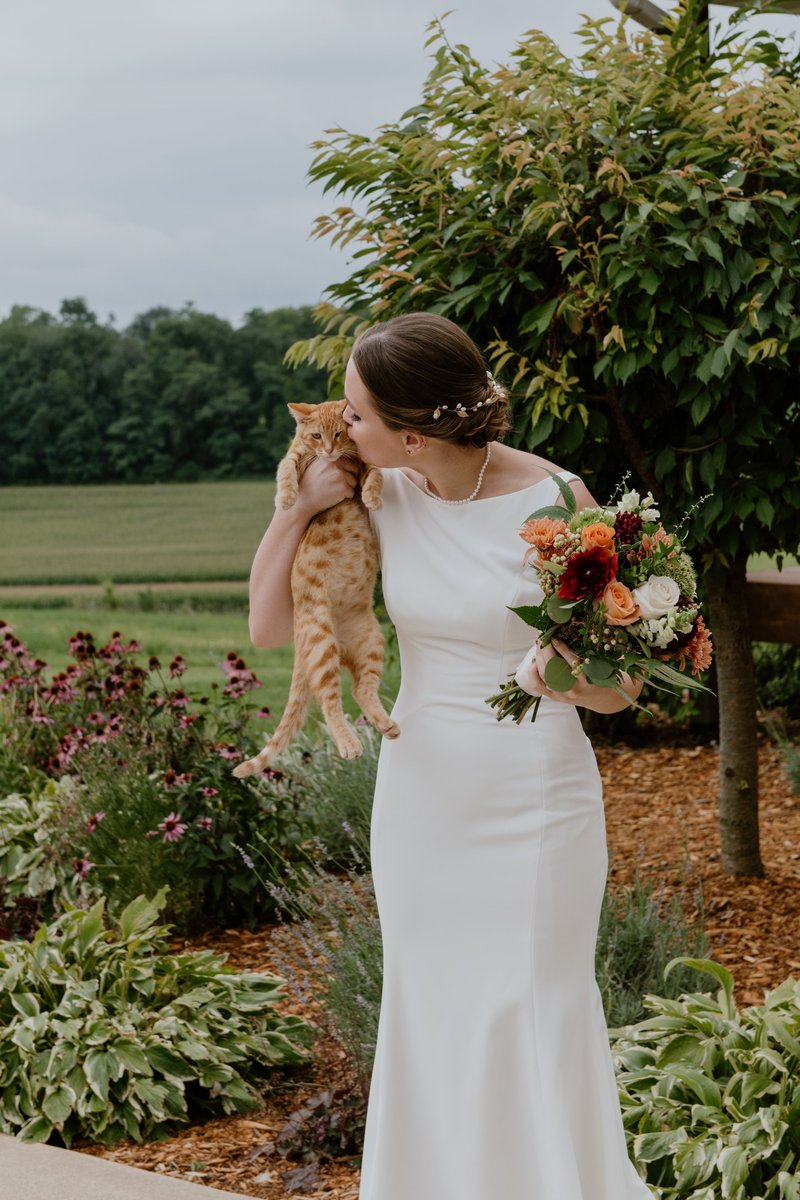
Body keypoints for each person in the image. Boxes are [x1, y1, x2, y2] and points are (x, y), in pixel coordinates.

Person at [247, 313, 654, 1200]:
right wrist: (304, 504)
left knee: (530, 1004)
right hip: (424, 797)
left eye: (354, 415)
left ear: (413, 433)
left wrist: (568, 678)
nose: (340, 428)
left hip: (534, 798)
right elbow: (272, 626)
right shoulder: (374, 491)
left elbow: (623, 690)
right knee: (431, 1006)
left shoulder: (560, 500)